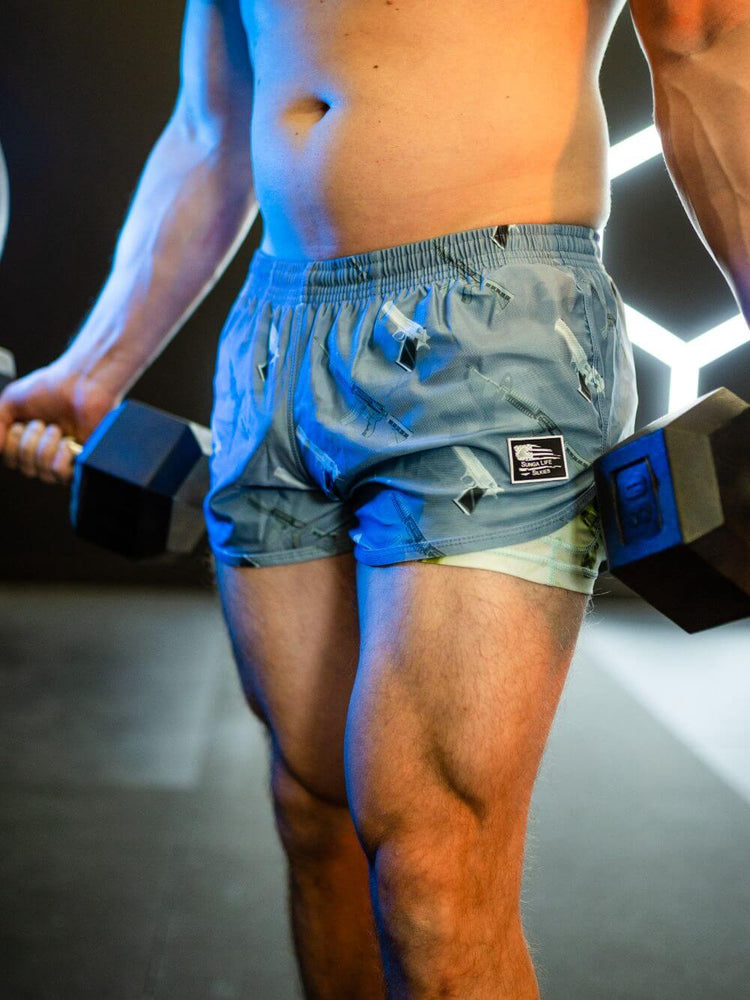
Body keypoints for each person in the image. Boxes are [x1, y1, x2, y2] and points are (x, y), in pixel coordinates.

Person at [1, 2, 748, 997]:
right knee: (315, 814)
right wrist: (94, 365)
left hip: (489, 321)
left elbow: (702, 40)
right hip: (274, 328)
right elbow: (211, 125)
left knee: (435, 868)